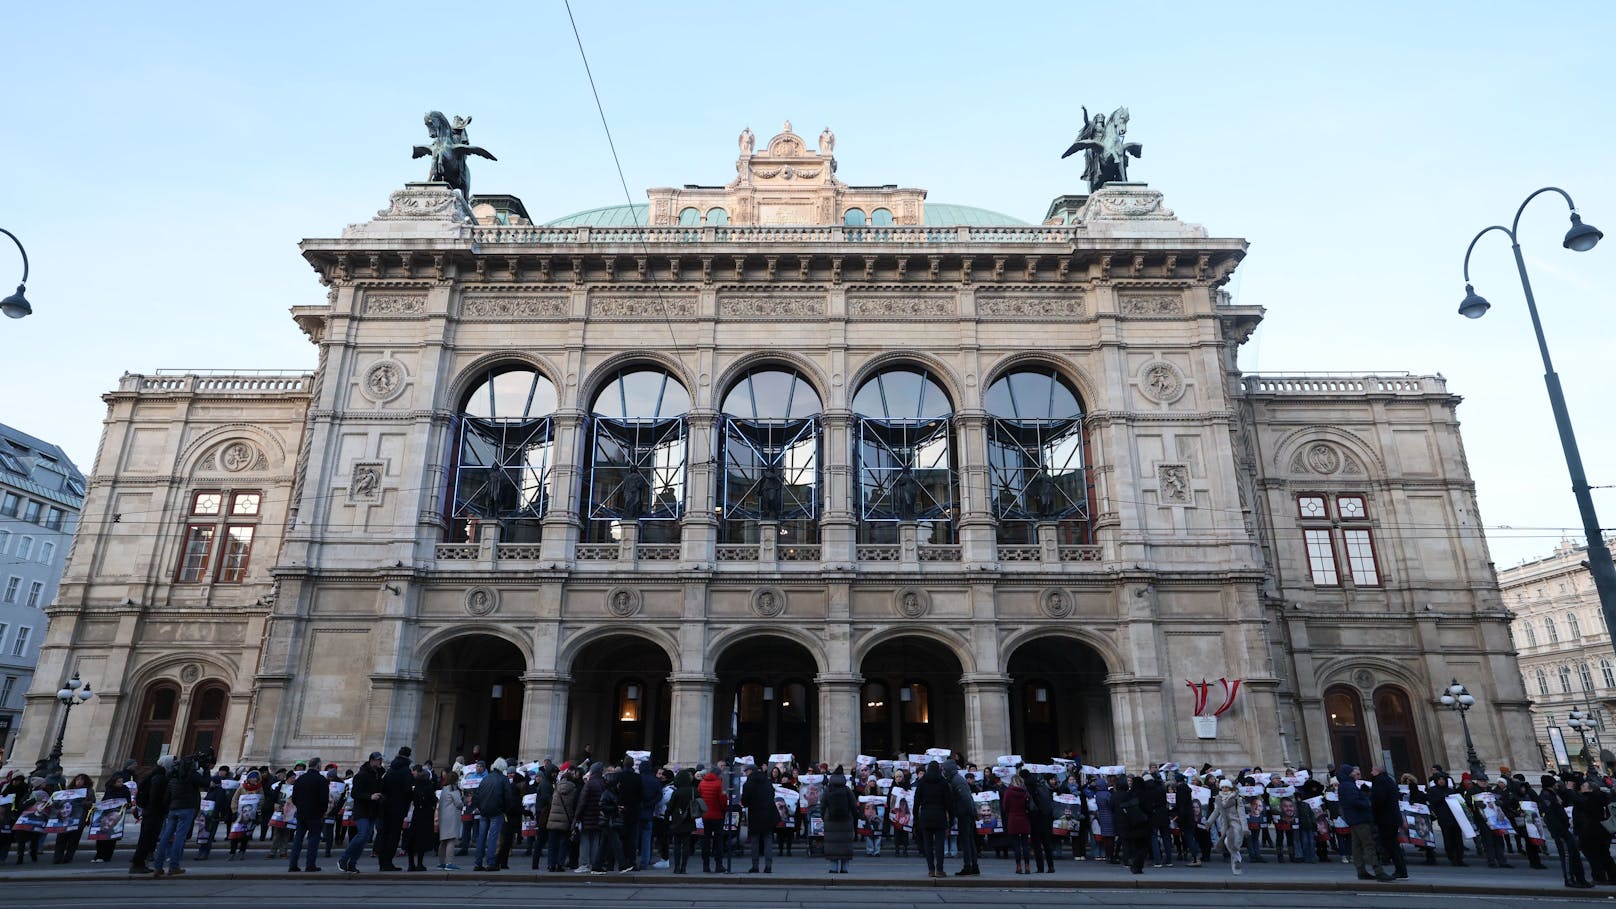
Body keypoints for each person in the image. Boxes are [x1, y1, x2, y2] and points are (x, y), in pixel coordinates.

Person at [154, 751, 208, 877]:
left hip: (173, 809)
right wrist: (206, 769)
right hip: (187, 808)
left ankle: (158, 867)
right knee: (179, 837)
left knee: (165, 838)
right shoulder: (191, 776)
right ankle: (174, 866)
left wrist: (169, 807)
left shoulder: (172, 776)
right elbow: (206, 783)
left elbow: (167, 796)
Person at [1338, 764, 1393, 882]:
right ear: (1348, 773)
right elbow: (1353, 801)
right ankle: (1378, 871)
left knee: (1357, 846)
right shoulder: (1348, 785)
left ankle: (1361, 870)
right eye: (1353, 771)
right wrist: (1367, 803)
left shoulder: (1346, 784)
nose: (1355, 773)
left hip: (1354, 819)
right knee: (1368, 844)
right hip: (1359, 818)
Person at [1540, 774, 1593, 888]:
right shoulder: (1546, 796)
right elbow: (1551, 815)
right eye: (1555, 783)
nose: (1557, 785)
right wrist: (1560, 828)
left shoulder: (1553, 794)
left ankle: (1580, 878)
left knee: (1574, 854)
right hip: (1560, 830)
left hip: (1564, 828)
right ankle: (1569, 880)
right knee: (1567, 855)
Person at [338, 751, 385, 874]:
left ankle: (352, 863)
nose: (380, 762)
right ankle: (344, 859)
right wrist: (370, 796)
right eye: (378, 760)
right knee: (362, 835)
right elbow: (355, 794)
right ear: (372, 760)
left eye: (381, 760)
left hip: (373, 810)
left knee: (364, 839)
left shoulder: (379, 775)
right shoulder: (361, 775)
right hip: (362, 810)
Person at [127, 756, 172, 875]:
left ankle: (139, 862)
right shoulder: (159, 778)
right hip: (153, 812)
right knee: (146, 838)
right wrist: (161, 807)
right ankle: (137, 863)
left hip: (150, 811)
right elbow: (155, 797)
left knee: (147, 839)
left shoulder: (153, 775)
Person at [374, 747, 414, 871]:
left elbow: (382, 786)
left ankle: (382, 861)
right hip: (398, 807)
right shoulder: (406, 771)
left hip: (386, 805)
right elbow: (408, 790)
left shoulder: (390, 769)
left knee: (384, 834)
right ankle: (387, 862)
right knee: (394, 835)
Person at [288, 761, 329, 872]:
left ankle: (293, 864)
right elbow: (324, 799)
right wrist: (323, 812)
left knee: (298, 839)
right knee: (313, 839)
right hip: (315, 813)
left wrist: (300, 807)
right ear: (318, 766)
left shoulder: (300, 779)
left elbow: (294, 798)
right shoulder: (322, 780)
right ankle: (310, 864)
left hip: (301, 813)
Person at [472, 757, 512, 871]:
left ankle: (478, 863)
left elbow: (478, 795)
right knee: (493, 838)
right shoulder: (503, 779)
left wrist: (480, 807)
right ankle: (491, 863)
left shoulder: (486, 778)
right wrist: (505, 809)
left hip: (484, 811)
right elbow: (508, 797)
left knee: (482, 837)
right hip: (497, 811)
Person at [942, 759, 979, 875]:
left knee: (966, 841)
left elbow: (966, 798)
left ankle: (968, 866)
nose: (943, 771)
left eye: (944, 769)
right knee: (969, 840)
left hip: (965, 814)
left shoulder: (956, 781)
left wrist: (972, 813)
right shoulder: (956, 779)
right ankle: (974, 865)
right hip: (966, 813)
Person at [1369, 765, 1407, 879]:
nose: (1371, 772)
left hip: (1386, 818)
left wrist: (1371, 801)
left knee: (1390, 844)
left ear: (1378, 772)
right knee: (1392, 844)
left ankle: (1400, 870)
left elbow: (1379, 799)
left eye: (1373, 770)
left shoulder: (1380, 782)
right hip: (1392, 817)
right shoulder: (1389, 780)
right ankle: (1401, 869)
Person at [742, 764, 778, 873]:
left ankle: (755, 866)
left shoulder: (748, 783)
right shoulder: (767, 781)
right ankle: (768, 866)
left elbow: (745, 801)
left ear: (750, 771)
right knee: (768, 840)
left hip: (755, 814)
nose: (745, 773)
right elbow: (772, 794)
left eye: (746, 771)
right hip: (768, 813)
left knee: (755, 841)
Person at [822, 768, 856, 874]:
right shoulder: (847, 790)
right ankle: (844, 868)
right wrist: (855, 817)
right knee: (845, 844)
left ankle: (833, 867)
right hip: (846, 820)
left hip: (831, 820)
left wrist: (824, 817)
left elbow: (822, 805)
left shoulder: (828, 790)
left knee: (833, 844)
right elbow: (854, 805)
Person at [545, 766, 579, 872]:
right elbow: (574, 805)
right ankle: (560, 864)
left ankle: (551, 864)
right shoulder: (573, 789)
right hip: (565, 820)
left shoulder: (556, 788)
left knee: (552, 844)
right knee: (563, 844)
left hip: (553, 820)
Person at [1114, 775, 1150, 874]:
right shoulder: (1145, 794)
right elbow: (1149, 809)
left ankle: (1135, 863)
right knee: (1143, 846)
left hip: (1132, 823)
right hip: (1144, 823)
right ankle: (1138, 865)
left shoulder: (1130, 794)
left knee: (1136, 846)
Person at [407, 764, 439, 872]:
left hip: (416, 814)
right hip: (425, 815)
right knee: (422, 841)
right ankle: (419, 863)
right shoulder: (428, 787)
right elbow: (433, 800)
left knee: (412, 840)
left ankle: (411, 864)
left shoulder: (415, 787)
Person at [666, 769, 698, 874]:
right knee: (686, 844)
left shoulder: (677, 792)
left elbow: (670, 807)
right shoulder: (693, 790)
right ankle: (684, 867)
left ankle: (676, 867)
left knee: (677, 845)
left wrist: (666, 817)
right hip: (689, 818)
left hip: (677, 820)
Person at [1209, 780, 1244, 874]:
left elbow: (1242, 814)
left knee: (1230, 843)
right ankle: (1237, 864)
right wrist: (1209, 822)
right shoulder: (1219, 799)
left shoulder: (1236, 799)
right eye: (1223, 787)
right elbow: (1216, 812)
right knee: (1229, 844)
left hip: (1236, 824)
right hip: (1225, 825)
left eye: (1226, 787)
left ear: (1230, 788)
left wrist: (1245, 828)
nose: (1224, 789)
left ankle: (1237, 862)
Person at [1002, 771, 1032, 874]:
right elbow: (1028, 805)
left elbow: (1005, 806)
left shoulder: (1008, 792)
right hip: (1024, 818)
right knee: (1025, 845)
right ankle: (1027, 866)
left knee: (1016, 845)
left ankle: (1018, 866)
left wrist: (1008, 814)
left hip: (1013, 819)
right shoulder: (1025, 792)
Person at [697, 767, 726, 873]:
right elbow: (723, 801)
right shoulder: (719, 784)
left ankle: (706, 865)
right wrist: (724, 810)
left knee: (706, 840)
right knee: (718, 841)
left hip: (705, 815)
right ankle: (719, 865)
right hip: (718, 816)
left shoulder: (702, 783)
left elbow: (699, 797)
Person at [436, 769, 464, 871]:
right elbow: (459, 803)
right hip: (451, 817)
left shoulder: (444, 789)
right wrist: (464, 802)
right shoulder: (454, 790)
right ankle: (449, 863)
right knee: (451, 840)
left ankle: (441, 863)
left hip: (443, 816)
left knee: (443, 841)